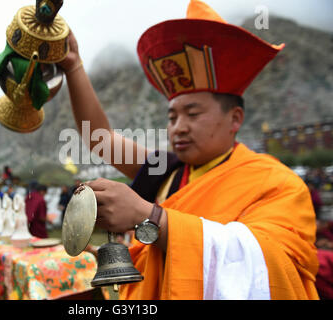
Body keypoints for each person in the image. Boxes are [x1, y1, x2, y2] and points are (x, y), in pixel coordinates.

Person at [57, 0, 319, 299]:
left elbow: (268, 267)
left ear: (235, 118)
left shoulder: (275, 183)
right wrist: (73, 65)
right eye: (172, 117)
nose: (178, 127)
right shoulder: (166, 169)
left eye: (192, 114)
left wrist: (150, 217)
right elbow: (99, 138)